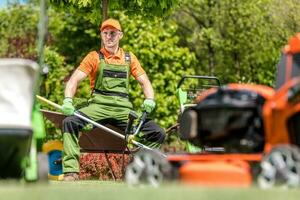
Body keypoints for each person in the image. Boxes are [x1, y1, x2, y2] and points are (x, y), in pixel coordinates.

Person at [61, 18, 165, 181]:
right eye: (105, 33)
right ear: (101, 36)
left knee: (157, 132)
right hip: (97, 107)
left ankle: (140, 169)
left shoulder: (130, 59)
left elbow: (145, 82)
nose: (109, 37)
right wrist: (68, 100)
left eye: (113, 33)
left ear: (120, 35)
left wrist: (150, 99)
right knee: (70, 122)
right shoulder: (94, 57)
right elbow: (74, 80)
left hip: (124, 110)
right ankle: (71, 172)